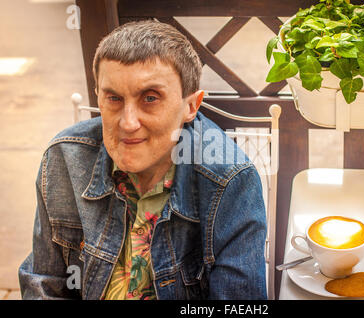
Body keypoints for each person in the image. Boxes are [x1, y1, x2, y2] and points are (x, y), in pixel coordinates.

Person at [18, 20, 267, 300]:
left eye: (150, 98)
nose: (128, 123)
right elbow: (44, 283)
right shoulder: (64, 158)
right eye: (114, 98)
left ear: (191, 106)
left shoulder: (229, 180)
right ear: (98, 96)